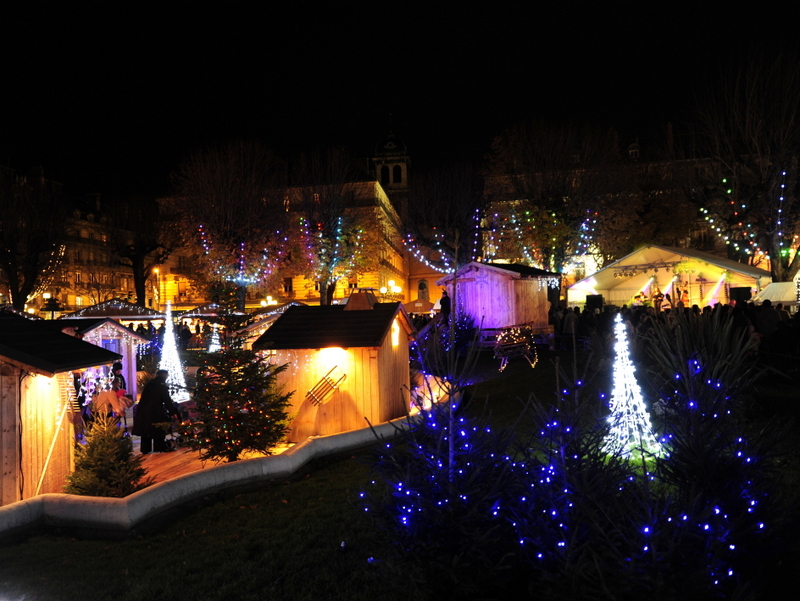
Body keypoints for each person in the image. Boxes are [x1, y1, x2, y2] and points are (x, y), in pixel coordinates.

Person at [132, 370, 176, 454]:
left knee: (146, 429)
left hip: (143, 409)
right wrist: (172, 412)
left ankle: (145, 448)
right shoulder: (161, 386)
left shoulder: (150, 384)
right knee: (158, 428)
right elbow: (166, 400)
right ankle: (159, 447)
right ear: (164, 375)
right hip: (155, 410)